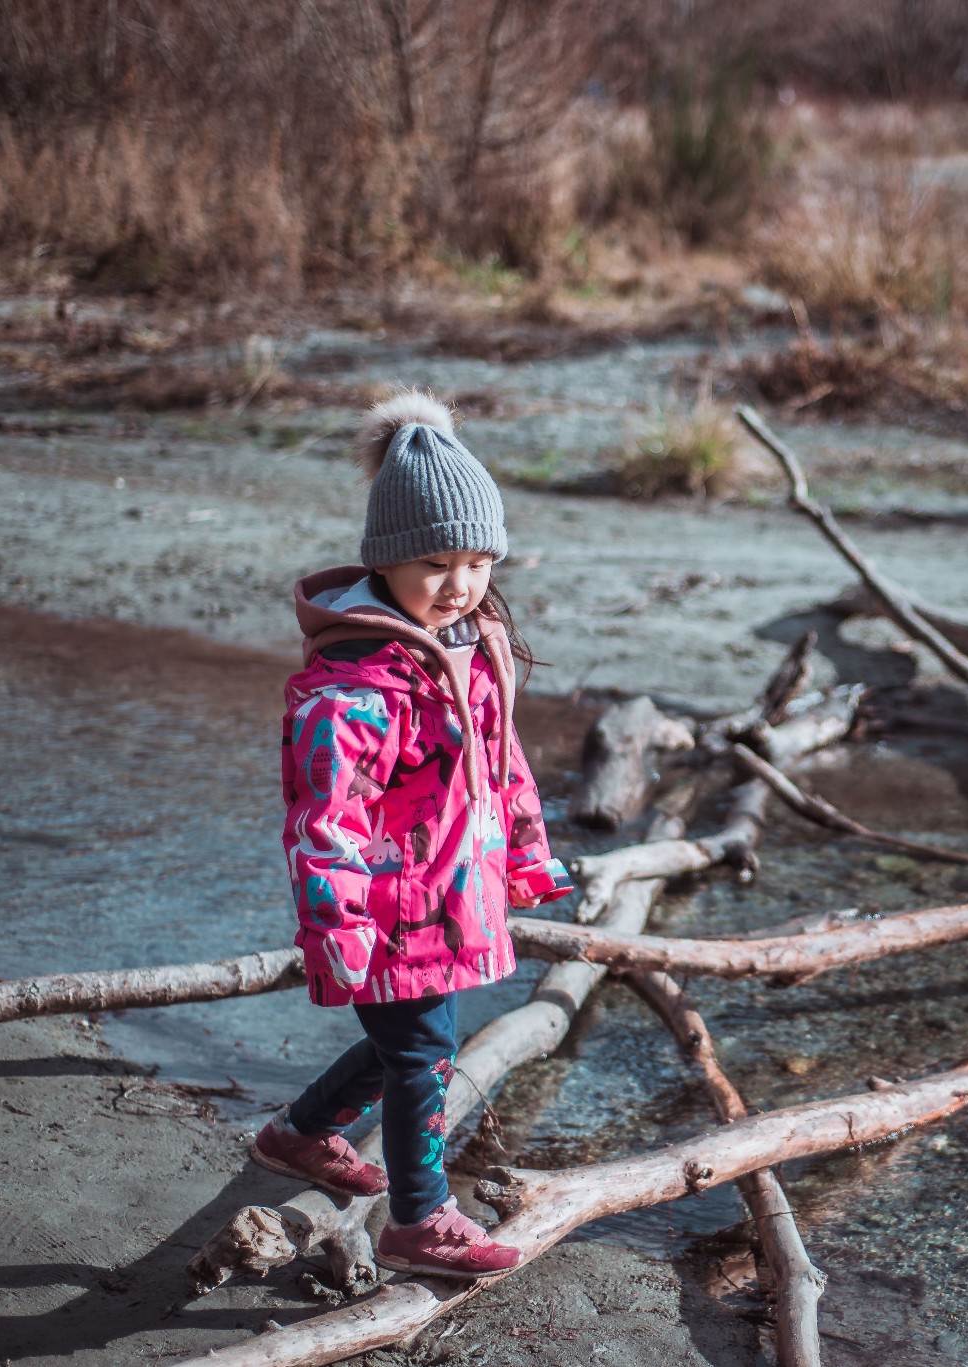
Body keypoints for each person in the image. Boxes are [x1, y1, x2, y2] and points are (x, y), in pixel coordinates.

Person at [249, 390, 573, 1278]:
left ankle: (299, 1132)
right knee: (423, 1055)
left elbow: (503, 763)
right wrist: (336, 922)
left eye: (476, 560)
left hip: (451, 896)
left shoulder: (471, 641)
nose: (460, 582)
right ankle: (418, 1220)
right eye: (434, 562)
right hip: (389, 908)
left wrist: (528, 851)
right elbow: (324, 819)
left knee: (410, 1043)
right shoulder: (355, 686)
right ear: (386, 559)